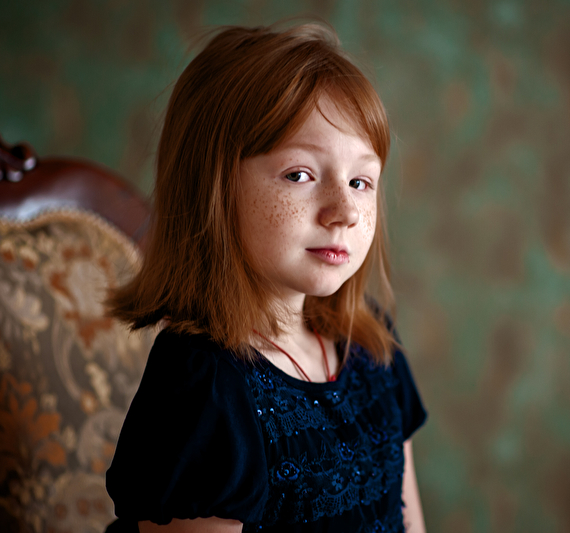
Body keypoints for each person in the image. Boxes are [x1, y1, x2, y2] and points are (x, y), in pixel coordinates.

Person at [104, 22, 427, 533]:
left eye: (360, 181)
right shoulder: (206, 388)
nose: (345, 211)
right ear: (214, 188)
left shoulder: (371, 340)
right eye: (299, 174)